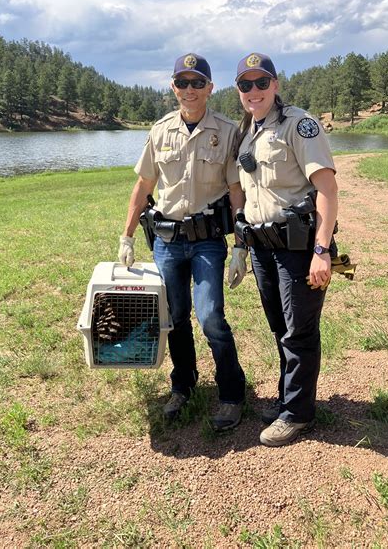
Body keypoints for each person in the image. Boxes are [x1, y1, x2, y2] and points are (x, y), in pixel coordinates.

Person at [118, 53, 246, 431]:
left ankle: (231, 393)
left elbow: (237, 190)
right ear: (173, 87)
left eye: (197, 83)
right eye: (182, 83)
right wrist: (125, 236)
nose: (189, 90)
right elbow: (143, 186)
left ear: (210, 88)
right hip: (167, 242)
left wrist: (241, 244)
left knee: (210, 318)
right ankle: (183, 385)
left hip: (207, 241)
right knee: (173, 318)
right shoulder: (159, 131)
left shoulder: (226, 131)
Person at [228, 52, 338, 446]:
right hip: (262, 249)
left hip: (298, 248)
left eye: (261, 82)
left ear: (275, 84)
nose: (253, 91)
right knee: (280, 328)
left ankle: (298, 413)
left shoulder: (300, 124)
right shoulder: (246, 132)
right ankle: (288, 398)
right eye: (245, 84)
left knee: (299, 331)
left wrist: (322, 250)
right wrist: (240, 245)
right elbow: (241, 191)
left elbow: (327, 190)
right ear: (238, 90)